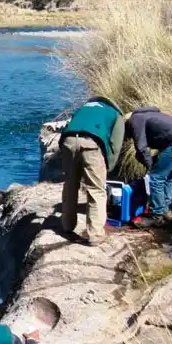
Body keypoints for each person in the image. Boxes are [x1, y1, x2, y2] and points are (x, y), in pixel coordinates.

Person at [58, 96, 125, 246]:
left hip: (68, 141)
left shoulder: (83, 108)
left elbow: (70, 126)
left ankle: (67, 226)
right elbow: (116, 145)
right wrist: (109, 167)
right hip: (92, 143)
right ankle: (95, 235)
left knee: (70, 184)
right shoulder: (115, 114)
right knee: (96, 189)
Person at [125, 107, 172, 229]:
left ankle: (156, 215)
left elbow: (141, 147)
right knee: (169, 175)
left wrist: (150, 167)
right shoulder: (153, 115)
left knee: (156, 177)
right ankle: (166, 209)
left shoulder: (135, 118)